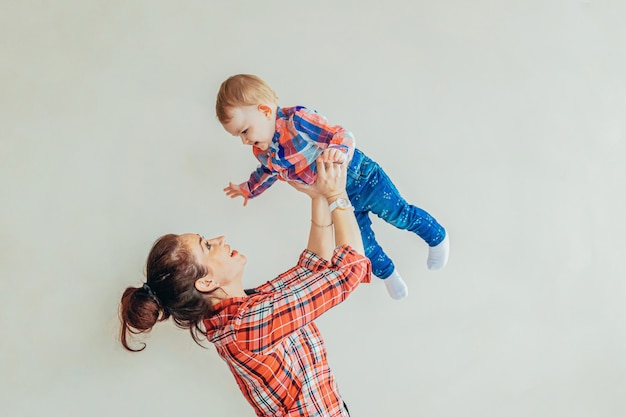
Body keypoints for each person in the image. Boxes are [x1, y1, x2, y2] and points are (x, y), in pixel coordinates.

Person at [119, 156, 371, 417]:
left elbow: (311, 267)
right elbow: (349, 271)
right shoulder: (248, 326)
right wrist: (337, 196)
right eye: (207, 246)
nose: (219, 239)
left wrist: (318, 196)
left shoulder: (244, 311)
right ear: (206, 282)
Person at [215, 73, 449, 300]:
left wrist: (338, 150)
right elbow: (266, 174)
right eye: (239, 136)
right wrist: (248, 189)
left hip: (362, 178)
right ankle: (389, 274)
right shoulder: (263, 152)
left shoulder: (297, 121)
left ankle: (437, 237)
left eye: (245, 131)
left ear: (264, 111)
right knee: (363, 246)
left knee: (399, 214)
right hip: (337, 199)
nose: (245, 141)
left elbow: (340, 134)